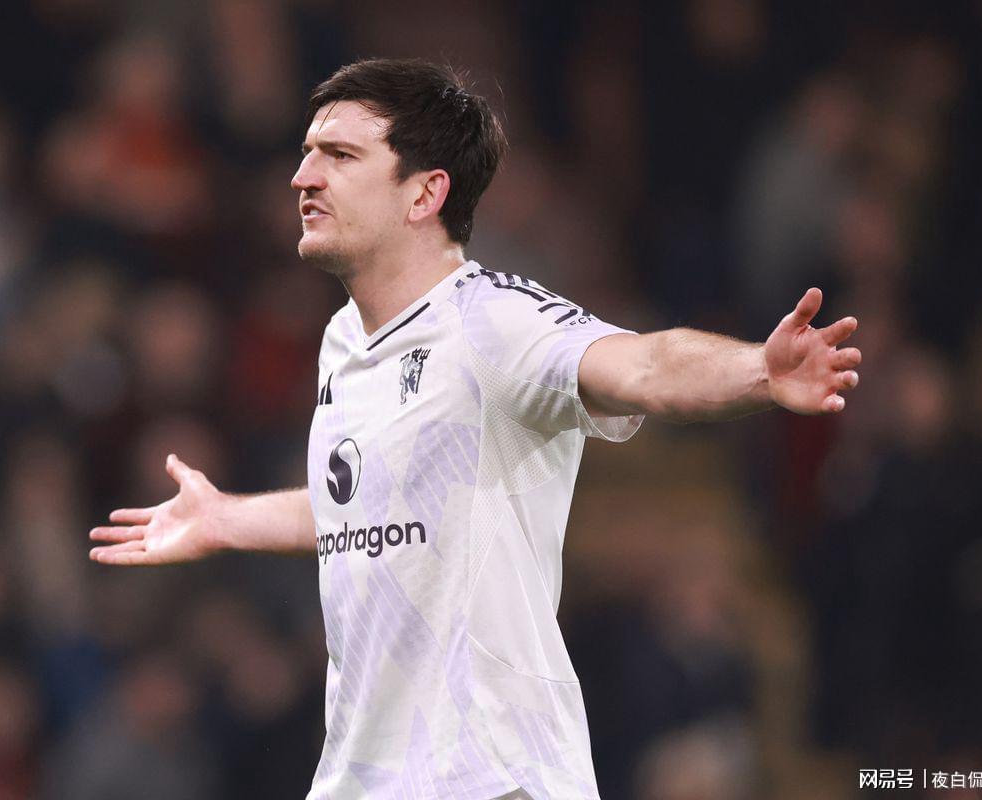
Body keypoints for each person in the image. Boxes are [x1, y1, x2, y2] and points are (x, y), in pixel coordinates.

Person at [88, 58, 861, 800]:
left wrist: (758, 370)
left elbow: (646, 365)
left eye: (339, 155)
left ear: (425, 193)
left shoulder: (492, 320)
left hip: (492, 777)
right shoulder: (343, 342)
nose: (303, 177)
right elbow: (369, 507)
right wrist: (227, 519)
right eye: (307, 152)